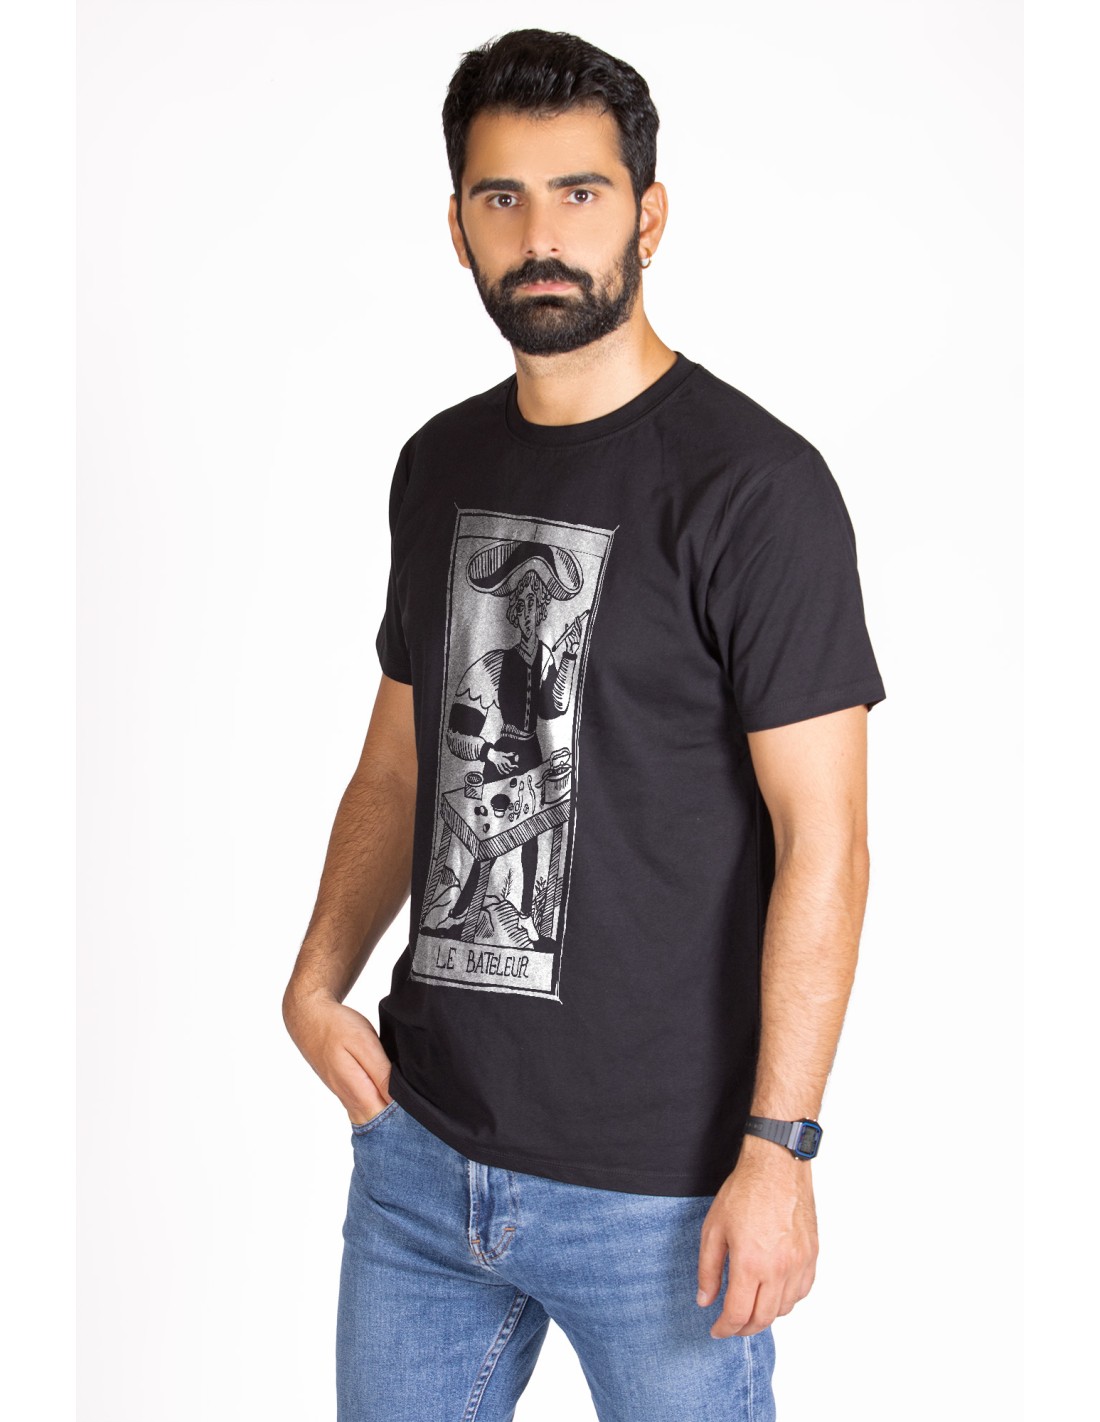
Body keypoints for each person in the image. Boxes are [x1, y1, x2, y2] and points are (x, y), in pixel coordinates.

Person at [282, 27, 886, 1422]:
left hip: (663, 1191)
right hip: (422, 1161)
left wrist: (780, 1147)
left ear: (648, 215)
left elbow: (828, 841)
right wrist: (316, 983)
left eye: (580, 192)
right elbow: (400, 762)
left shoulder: (756, 488)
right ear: (458, 226)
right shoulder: (440, 462)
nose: (540, 235)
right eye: (501, 197)